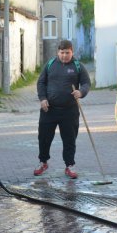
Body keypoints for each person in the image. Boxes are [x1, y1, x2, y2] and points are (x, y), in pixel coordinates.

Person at [33, 39, 91, 179]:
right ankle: (43, 162)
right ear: (57, 52)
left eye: (67, 53)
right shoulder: (50, 64)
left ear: (72, 52)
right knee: (44, 138)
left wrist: (81, 92)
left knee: (69, 139)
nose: (65, 55)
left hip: (69, 111)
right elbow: (41, 82)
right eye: (62, 52)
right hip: (49, 109)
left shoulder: (78, 66)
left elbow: (86, 83)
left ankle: (69, 165)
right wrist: (43, 99)